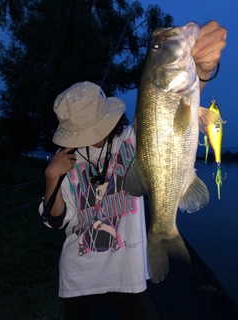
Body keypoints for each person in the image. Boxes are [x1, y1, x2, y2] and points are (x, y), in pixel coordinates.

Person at [39, 21, 227, 320]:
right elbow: (56, 220)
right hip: (78, 276)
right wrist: (52, 177)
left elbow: (168, 112)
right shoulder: (66, 161)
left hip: (126, 275)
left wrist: (203, 70)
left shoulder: (131, 141)